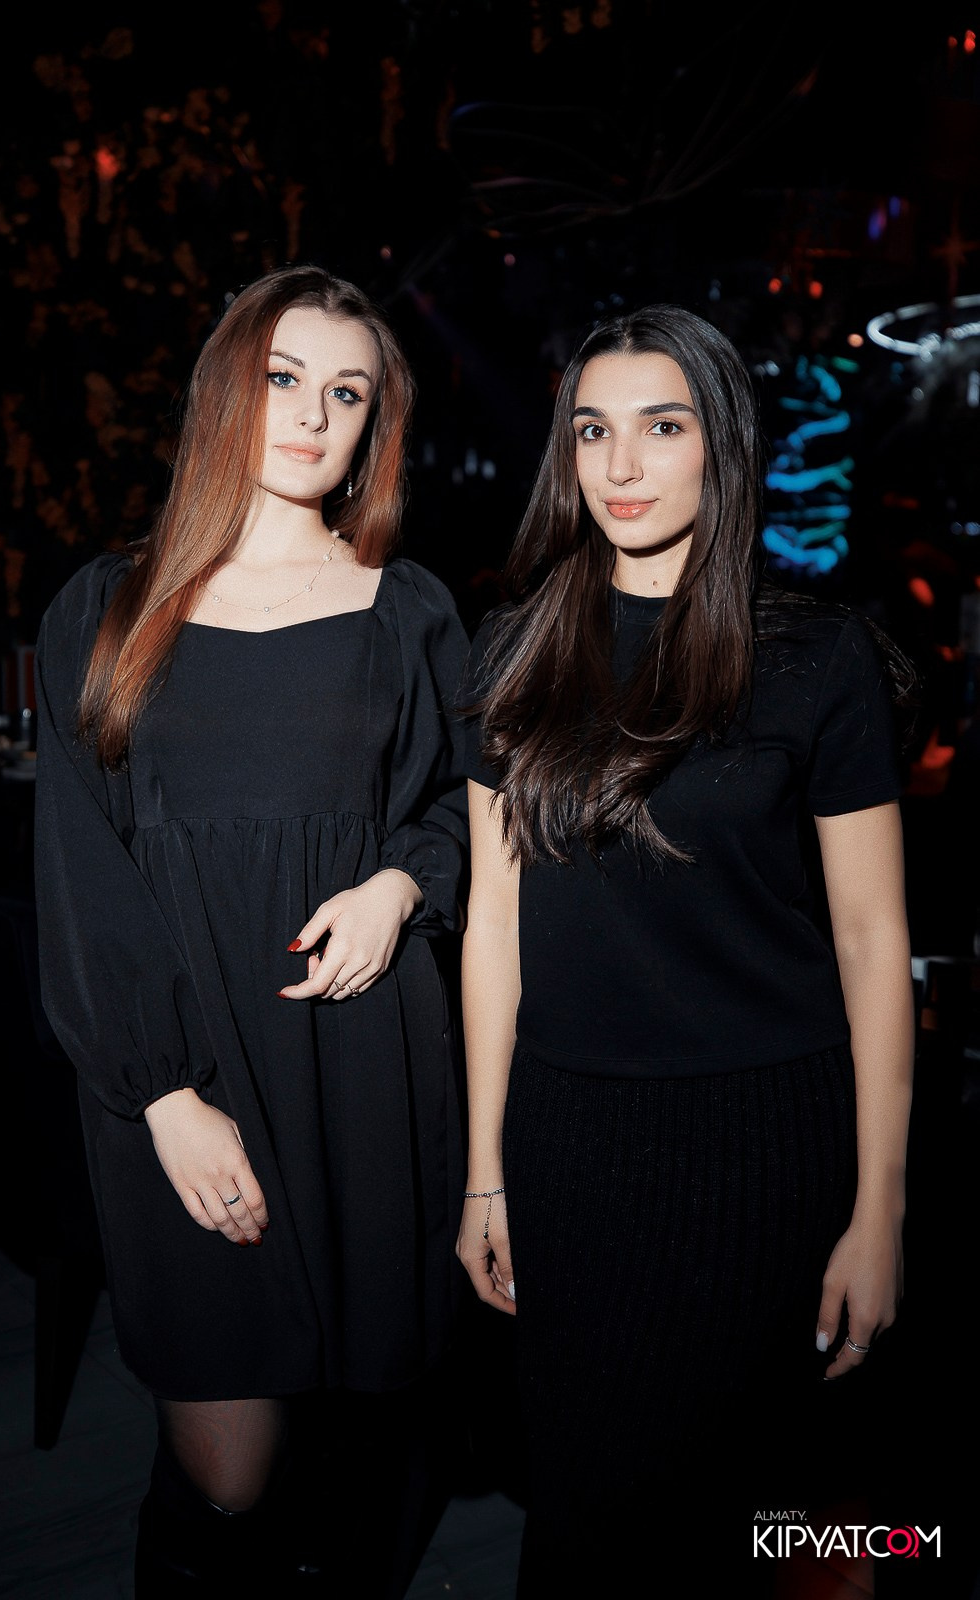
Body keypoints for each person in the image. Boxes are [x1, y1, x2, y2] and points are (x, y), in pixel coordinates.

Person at [455, 304, 917, 1595]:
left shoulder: (815, 658)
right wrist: (484, 1170)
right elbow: (493, 929)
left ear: (722, 443)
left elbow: (875, 941)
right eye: (592, 429)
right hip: (571, 1150)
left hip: (766, 1149)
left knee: (747, 1532)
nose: (621, 465)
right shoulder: (515, 652)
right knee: (580, 1527)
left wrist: (881, 1208)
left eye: (662, 427)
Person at [33, 264, 471, 1597]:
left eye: (348, 392)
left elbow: (465, 807)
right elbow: (78, 866)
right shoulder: (107, 605)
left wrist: (402, 888)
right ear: (226, 385)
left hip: (366, 1066)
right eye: (283, 378)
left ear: (377, 425)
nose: (312, 415)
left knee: (357, 1455)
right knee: (225, 1477)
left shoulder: (410, 609)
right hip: (181, 1080)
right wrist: (163, 1093)